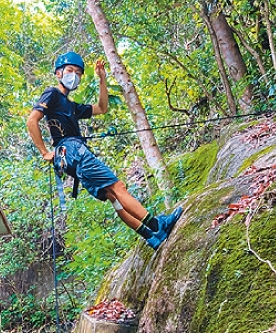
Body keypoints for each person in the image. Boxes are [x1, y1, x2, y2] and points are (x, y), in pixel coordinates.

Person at [27, 51, 182, 249]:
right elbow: (32, 120)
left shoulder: (71, 106)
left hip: (70, 158)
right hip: (73, 151)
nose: (74, 75)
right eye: (70, 70)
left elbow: (101, 107)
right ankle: (158, 225)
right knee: (119, 187)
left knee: (113, 197)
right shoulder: (53, 93)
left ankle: (151, 237)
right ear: (59, 73)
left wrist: (102, 79)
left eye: (79, 73)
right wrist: (44, 152)